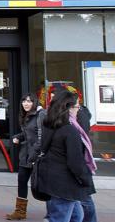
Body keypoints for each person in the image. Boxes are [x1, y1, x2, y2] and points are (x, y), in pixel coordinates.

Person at [40, 90, 95, 222]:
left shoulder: (50, 124)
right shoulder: (70, 130)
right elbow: (75, 162)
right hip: (65, 184)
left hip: (53, 179)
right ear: (69, 108)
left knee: (77, 216)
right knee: (61, 218)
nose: (78, 110)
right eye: (77, 107)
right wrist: (86, 179)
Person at [6, 93, 45, 220]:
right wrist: (18, 136)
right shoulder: (26, 116)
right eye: (24, 101)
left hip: (37, 157)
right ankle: (20, 212)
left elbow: (42, 137)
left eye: (29, 101)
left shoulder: (40, 115)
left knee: (45, 184)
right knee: (22, 181)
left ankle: (54, 212)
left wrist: (34, 154)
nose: (26, 104)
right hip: (26, 155)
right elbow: (27, 134)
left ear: (35, 102)